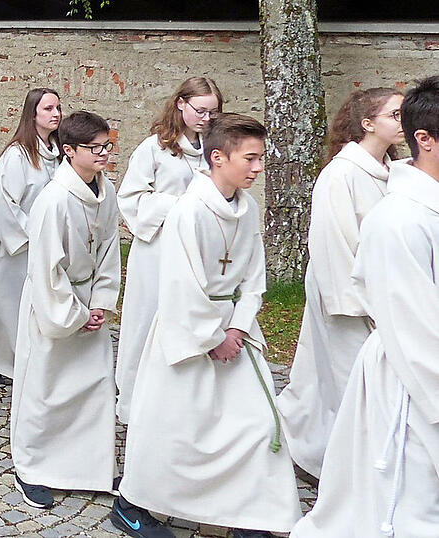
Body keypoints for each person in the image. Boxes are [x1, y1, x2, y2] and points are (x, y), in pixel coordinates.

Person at [114, 114, 300, 538]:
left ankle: (251, 514)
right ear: (218, 157)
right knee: (175, 427)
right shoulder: (190, 211)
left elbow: (254, 275)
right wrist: (211, 338)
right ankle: (131, 503)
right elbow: (180, 283)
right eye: (250, 158)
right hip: (190, 335)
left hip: (234, 331)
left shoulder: (248, 208)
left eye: (261, 159)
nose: (258, 168)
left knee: (255, 425)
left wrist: (238, 327)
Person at [290, 75, 439, 538]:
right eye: (391, 114)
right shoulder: (384, 209)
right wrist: (364, 307)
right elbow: (336, 248)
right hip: (378, 329)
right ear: (425, 139)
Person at [275, 87, 405, 479]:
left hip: (380, 294)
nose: (403, 122)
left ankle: (318, 452)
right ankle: (341, 465)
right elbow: (333, 243)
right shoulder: (341, 174)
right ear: (368, 123)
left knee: (323, 380)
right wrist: (356, 303)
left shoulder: (391, 172)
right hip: (346, 297)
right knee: (347, 381)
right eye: (394, 115)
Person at [8, 111, 121, 509]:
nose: (103, 154)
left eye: (107, 146)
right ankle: (33, 467)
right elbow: (44, 269)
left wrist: (101, 302)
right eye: (94, 149)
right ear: (69, 151)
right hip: (55, 305)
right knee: (47, 388)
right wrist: (74, 315)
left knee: (93, 386)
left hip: (90, 302)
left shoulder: (106, 194)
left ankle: (86, 465)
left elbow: (110, 251)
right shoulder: (53, 200)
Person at [115, 76, 222, 424]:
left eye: (213, 112)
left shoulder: (214, 149)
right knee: (147, 322)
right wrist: (179, 206)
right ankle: (133, 401)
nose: (206, 118)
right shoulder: (154, 149)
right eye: (200, 110)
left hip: (198, 253)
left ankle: (180, 400)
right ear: (181, 104)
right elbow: (130, 198)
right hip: (158, 250)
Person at [0, 88, 62, 388]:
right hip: (18, 247)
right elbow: (7, 205)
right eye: (48, 108)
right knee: (3, 304)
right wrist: (34, 235)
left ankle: (27, 356)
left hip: (47, 245)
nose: (56, 113)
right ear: (32, 114)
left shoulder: (58, 155)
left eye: (58, 107)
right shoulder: (17, 155)